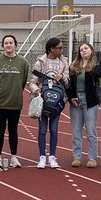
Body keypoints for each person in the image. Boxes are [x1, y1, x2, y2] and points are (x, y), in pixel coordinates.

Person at [0, 33, 29, 170]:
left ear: (15, 44)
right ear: (3, 45)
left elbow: (23, 82)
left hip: (15, 102)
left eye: (11, 43)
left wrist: (15, 91)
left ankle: (14, 157)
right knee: (0, 129)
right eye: (6, 43)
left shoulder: (23, 62)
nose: (8, 45)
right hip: (0, 102)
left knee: (13, 130)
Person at [29, 37, 70, 168]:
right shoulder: (40, 62)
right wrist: (37, 92)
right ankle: (42, 157)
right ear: (51, 49)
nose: (62, 50)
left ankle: (52, 157)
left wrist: (62, 77)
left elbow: (68, 83)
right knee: (42, 130)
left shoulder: (64, 62)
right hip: (43, 102)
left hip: (57, 102)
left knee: (54, 129)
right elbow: (32, 82)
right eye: (59, 48)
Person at [66, 41, 101, 167]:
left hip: (90, 102)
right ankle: (77, 157)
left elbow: (99, 74)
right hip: (76, 101)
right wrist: (71, 98)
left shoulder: (94, 66)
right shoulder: (73, 67)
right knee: (76, 131)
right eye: (81, 49)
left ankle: (92, 158)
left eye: (86, 48)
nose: (83, 51)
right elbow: (69, 85)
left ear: (91, 51)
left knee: (91, 130)